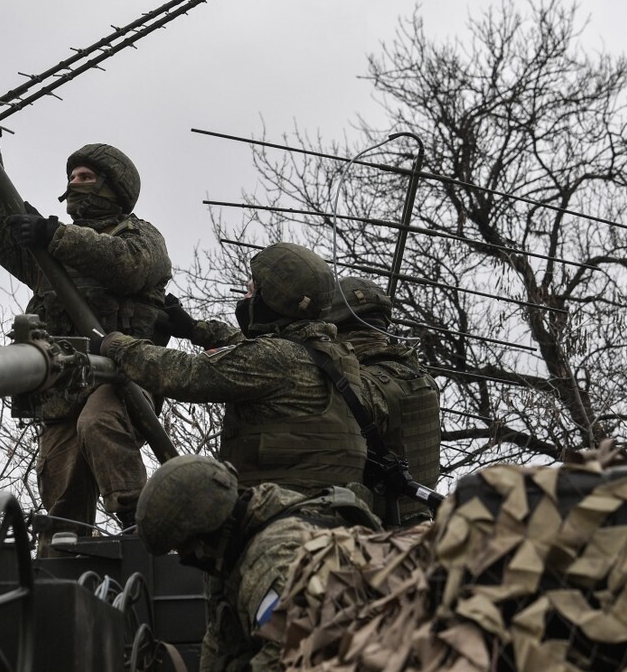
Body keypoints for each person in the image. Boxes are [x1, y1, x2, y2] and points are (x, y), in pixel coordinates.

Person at [0, 140, 172, 548]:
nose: (74, 184)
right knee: (61, 489)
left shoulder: (140, 235)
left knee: (99, 421)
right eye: (71, 177)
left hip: (123, 378)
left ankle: (138, 524)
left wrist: (55, 235)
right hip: (64, 387)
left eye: (86, 177)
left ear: (113, 187)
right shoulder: (49, 252)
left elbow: (127, 265)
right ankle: (62, 559)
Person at [100, 242, 369, 499]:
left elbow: (185, 373)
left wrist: (116, 344)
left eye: (251, 292)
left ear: (272, 302)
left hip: (282, 510)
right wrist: (197, 330)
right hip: (335, 508)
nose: (245, 299)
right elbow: (269, 351)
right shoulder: (339, 357)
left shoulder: (274, 359)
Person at [136, 454, 380, 671]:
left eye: (182, 547)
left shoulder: (271, 563)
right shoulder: (252, 525)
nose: (182, 557)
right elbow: (219, 642)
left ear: (204, 532)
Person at [323, 276, 442, 525]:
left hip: (376, 534)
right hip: (420, 526)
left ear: (336, 328)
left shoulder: (364, 387)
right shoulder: (423, 379)